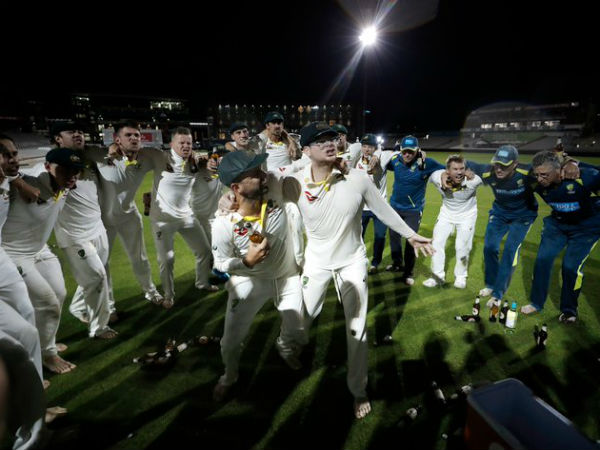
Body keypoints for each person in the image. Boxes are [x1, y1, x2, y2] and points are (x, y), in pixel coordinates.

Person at [285, 122, 434, 419]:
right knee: (301, 319)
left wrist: (409, 234)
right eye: (321, 140)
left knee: (357, 328)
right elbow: (262, 190)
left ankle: (358, 390)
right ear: (306, 151)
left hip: (352, 261)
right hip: (316, 262)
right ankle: (288, 347)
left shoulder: (357, 178)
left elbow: (382, 209)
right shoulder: (294, 182)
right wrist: (229, 201)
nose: (330, 143)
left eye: (332, 138)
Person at [210, 152, 307, 401]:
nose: (264, 175)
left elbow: (303, 162)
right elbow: (219, 264)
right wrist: (245, 262)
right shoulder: (224, 223)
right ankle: (229, 377)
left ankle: (284, 346)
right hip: (248, 283)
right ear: (236, 188)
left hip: (287, 276)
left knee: (298, 330)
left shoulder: (272, 184)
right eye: (255, 174)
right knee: (230, 342)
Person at [2, 147, 84, 374]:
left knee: (59, 294)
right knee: (47, 302)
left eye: (75, 170)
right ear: (48, 167)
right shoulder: (30, 181)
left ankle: (47, 341)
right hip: (13, 253)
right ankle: (47, 354)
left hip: (40, 250)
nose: (72, 175)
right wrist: (17, 181)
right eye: (65, 170)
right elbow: (7, 173)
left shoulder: (65, 187)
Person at [49, 122, 117, 340]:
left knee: (95, 276)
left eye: (80, 131)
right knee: (97, 276)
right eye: (71, 131)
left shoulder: (86, 161)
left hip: (97, 228)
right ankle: (99, 328)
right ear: (58, 138)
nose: (78, 134)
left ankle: (78, 306)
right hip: (75, 236)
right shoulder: (50, 166)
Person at [520, 150, 600, 323]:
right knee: (542, 260)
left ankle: (569, 311)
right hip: (557, 225)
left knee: (570, 267)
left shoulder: (584, 176)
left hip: (586, 229)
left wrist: (576, 163)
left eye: (545, 175)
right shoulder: (533, 178)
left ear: (559, 171)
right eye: (537, 174)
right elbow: (510, 169)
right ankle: (536, 303)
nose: (540, 179)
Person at [97, 121, 164, 306]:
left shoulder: (146, 157)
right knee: (102, 262)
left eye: (137, 135)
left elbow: (169, 161)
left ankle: (151, 292)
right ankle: (108, 305)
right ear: (117, 140)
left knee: (140, 258)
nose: (134, 138)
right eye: (128, 135)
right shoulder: (103, 158)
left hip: (129, 215)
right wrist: (111, 149)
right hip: (104, 219)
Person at [150, 127, 218, 309]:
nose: (186, 146)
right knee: (167, 259)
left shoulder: (194, 161)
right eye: (181, 142)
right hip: (162, 220)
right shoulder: (161, 158)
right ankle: (168, 295)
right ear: (171, 144)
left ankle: (202, 283)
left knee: (204, 251)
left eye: (189, 143)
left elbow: (210, 165)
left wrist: (210, 163)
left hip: (186, 216)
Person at [461, 146, 538, 304]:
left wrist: (571, 163)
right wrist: (464, 169)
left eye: (504, 165)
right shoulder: (488, 172)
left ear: (515, 164)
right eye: (497, 164)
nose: (499, 169)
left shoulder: (528, 172)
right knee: (489, 247)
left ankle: (498, 294)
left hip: (523, 216)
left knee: (510, 250)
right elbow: (461, 162)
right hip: (499, 214)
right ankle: (490, 285)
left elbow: (552, 168)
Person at [385, 135, 445, 285]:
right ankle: (397, 263)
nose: (407, 154)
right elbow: (383, 161)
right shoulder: (395, 160)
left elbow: (445, 170)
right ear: (401, 150)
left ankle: (408, 273)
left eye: (411, 152)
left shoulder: (426, 163)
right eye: (404, 151)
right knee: (394, 238)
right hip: (395, 207)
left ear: (417, 150)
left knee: (412, 241)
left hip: (413, 210)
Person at [423, 155, 482, 288]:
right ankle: (437, 277)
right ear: (447, 171)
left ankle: (461, 277)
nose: (459, 172)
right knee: (437, 243)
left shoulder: (473, 181)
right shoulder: (437, 177)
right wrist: (443, 176)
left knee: (462, 247)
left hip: (467, 215)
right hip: (446, 214)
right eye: (455, 169)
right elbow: (432, 172)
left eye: (462, 169)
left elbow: (489, 176)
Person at [355, 134, 397, 273]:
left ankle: (375, 263)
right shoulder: (357, 161)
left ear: (375, 147)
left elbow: (397, 153)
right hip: (362, 207)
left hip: (380, 207)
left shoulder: (383, 157)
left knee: (379, 237)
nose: (367, 149)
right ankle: (359, 261)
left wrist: (378, 154)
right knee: (358, 236)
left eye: (370, 146)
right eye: (364, 146)